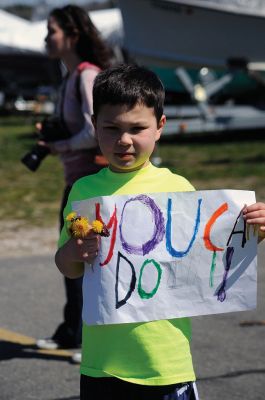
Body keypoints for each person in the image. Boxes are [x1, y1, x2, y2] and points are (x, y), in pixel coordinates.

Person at [55, 64, 265, 399]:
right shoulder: (83, 192)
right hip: (101, 364)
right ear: (94, 125)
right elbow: (67, 266)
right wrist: (73, 253)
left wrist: (251, 229)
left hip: (167, 364)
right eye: (111, 128)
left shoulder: (178, 188)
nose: (124, 140)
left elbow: (204, 256)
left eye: (137, 128)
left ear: (159, 127)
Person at [36, 5, 112, 356]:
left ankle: (90, 336)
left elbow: (93, 132)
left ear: (73, 34)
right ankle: (72, 331)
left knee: (89, 259)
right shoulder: (69, 76)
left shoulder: (86, 75)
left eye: (52, 30)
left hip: (91, 181)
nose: (46, 38)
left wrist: (59, 144)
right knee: (71, 255)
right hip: (75, 179)